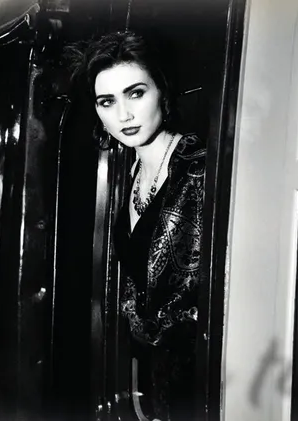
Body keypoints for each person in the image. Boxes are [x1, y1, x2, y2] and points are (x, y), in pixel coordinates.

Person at [66, 31, 206, 421]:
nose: (123, 115)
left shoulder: (200, 168)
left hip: (206, 381)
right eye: (107, 102)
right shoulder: (130, 173)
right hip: (154, 385)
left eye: (136, 93)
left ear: (163, 91)